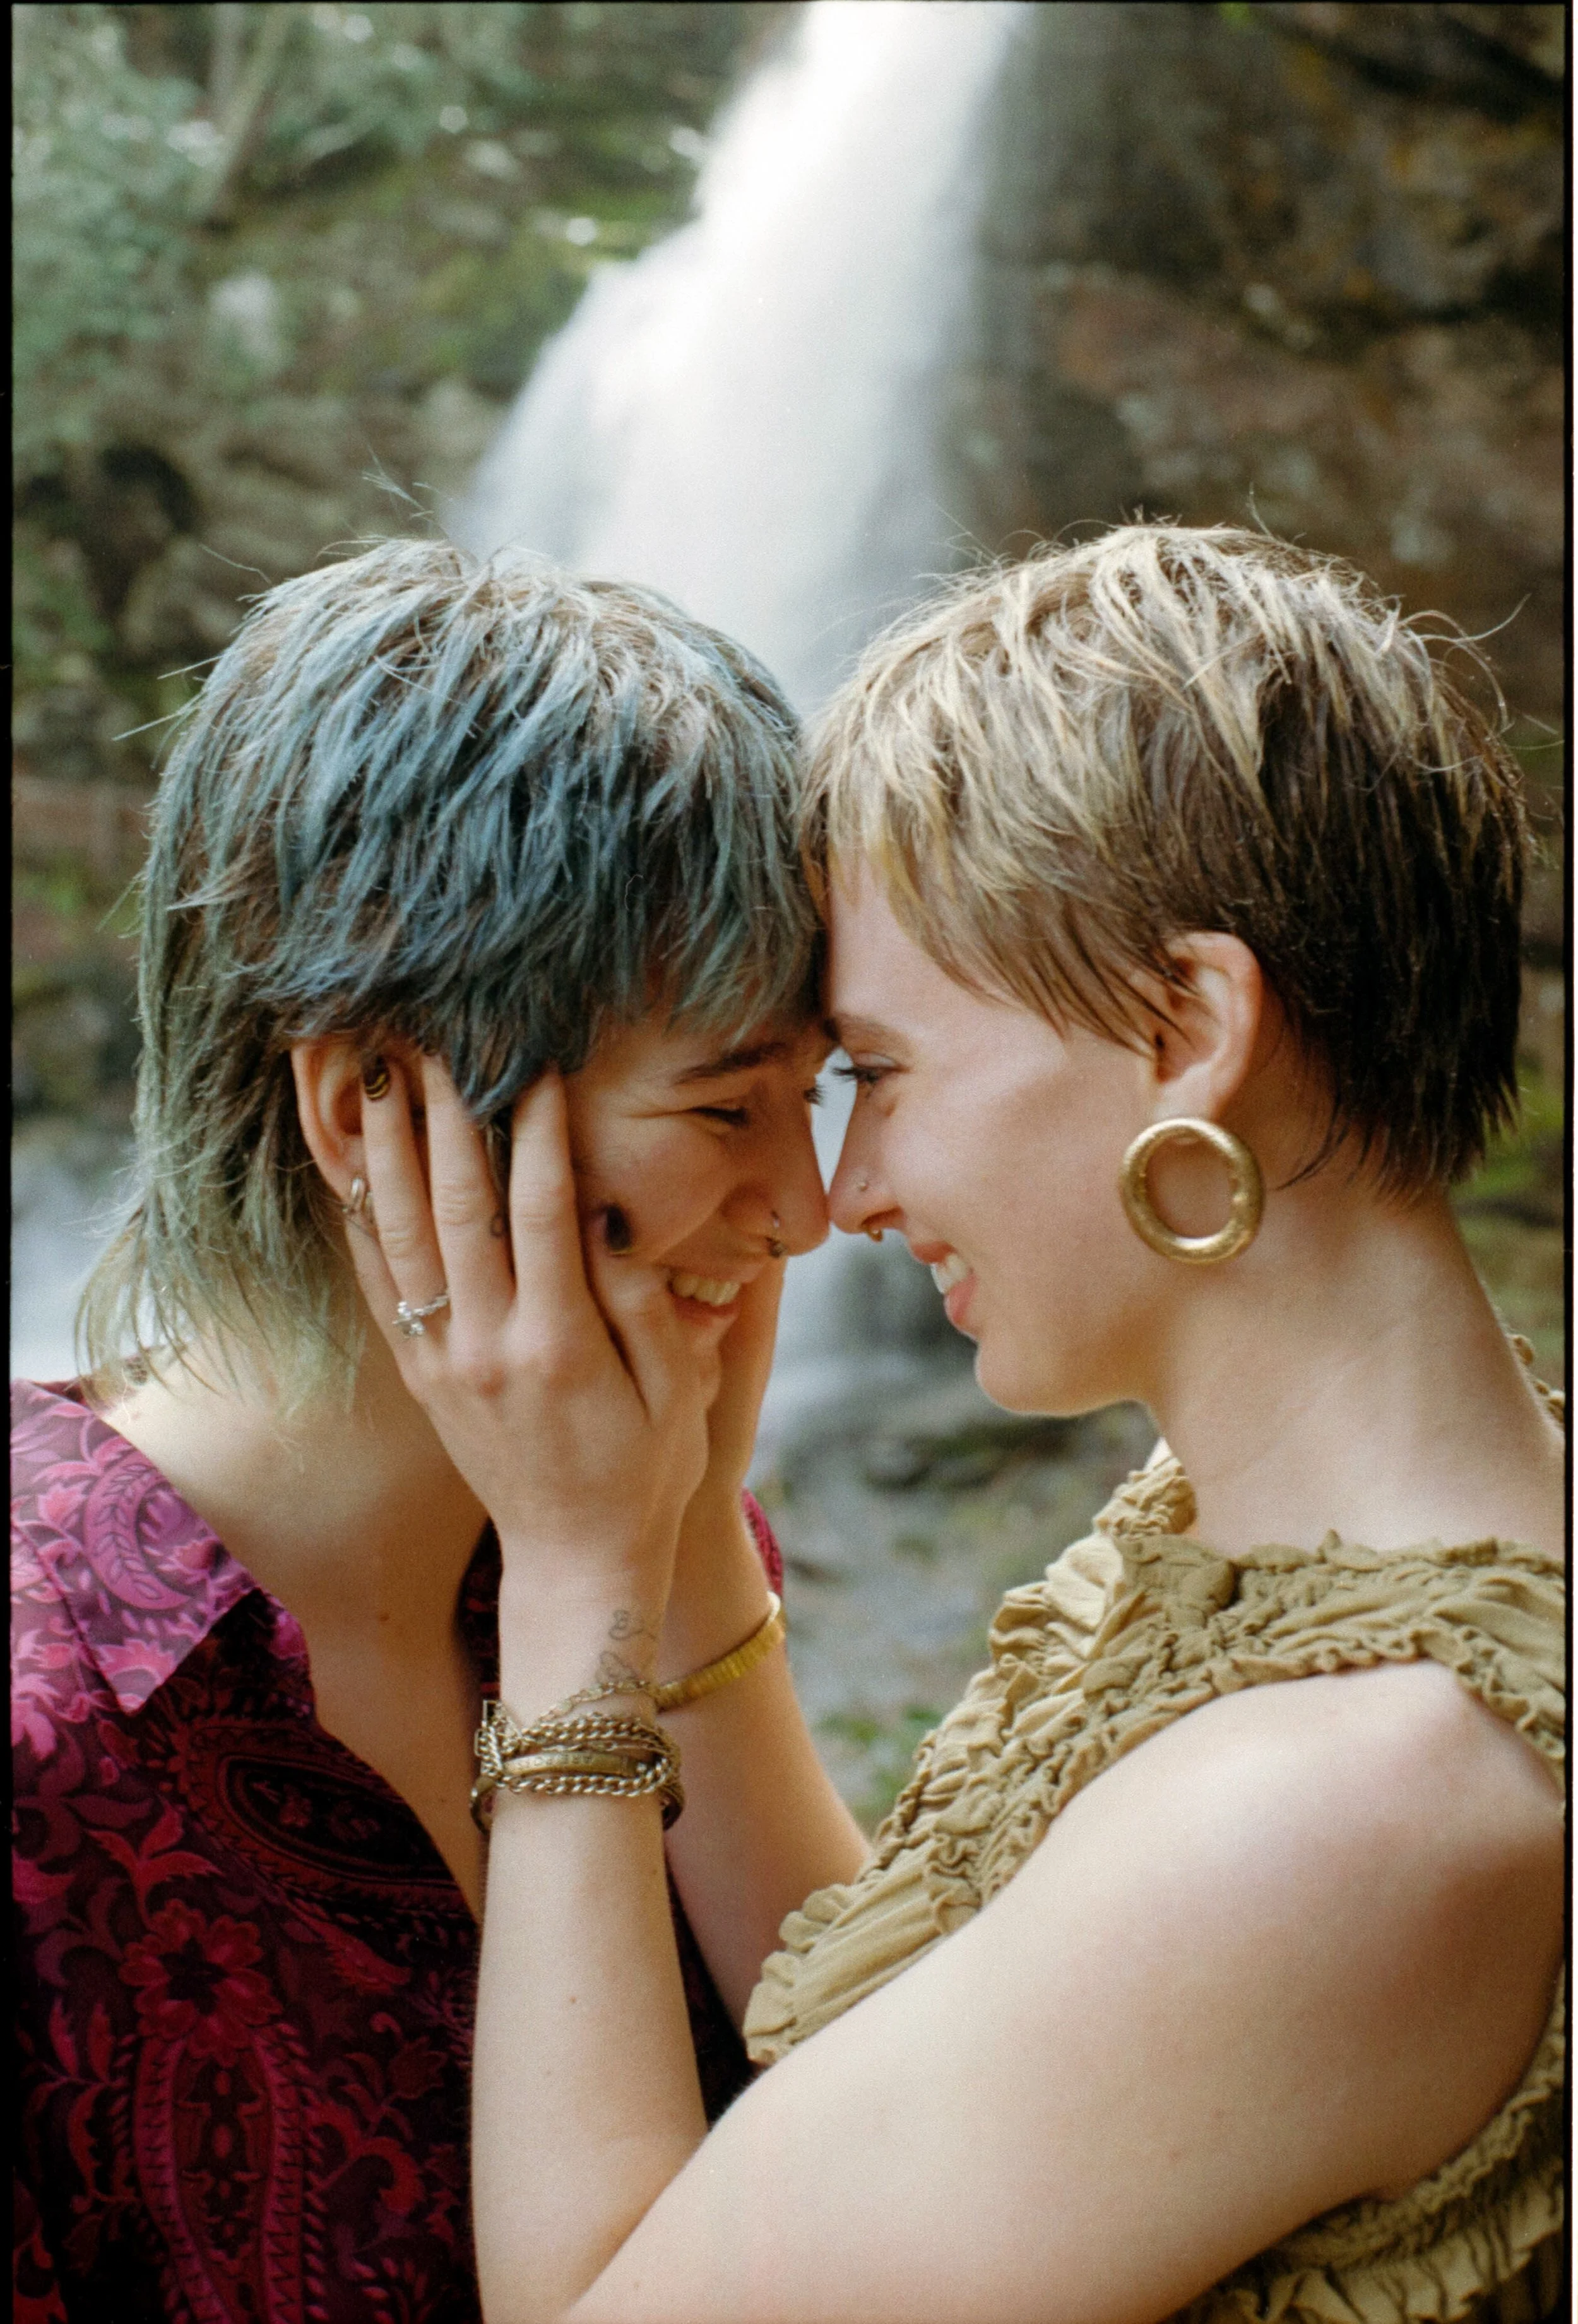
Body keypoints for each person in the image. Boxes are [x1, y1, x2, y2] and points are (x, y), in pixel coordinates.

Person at [344, 526, 1563, 2324]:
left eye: (881, 1074)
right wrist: (681, 1530)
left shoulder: (1352, 1803)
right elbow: (944, 2071)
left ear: (1187, 1026)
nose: (845, 1190)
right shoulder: (1294, 1553)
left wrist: (572, 1580)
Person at [11, 538, 867, 2324]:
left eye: (821, 1094)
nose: (807, 1204)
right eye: (726, 1107)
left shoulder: (641, 1539)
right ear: (371, 1101)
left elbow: (895, 2131)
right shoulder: (46, 1712)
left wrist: (685, 1536)